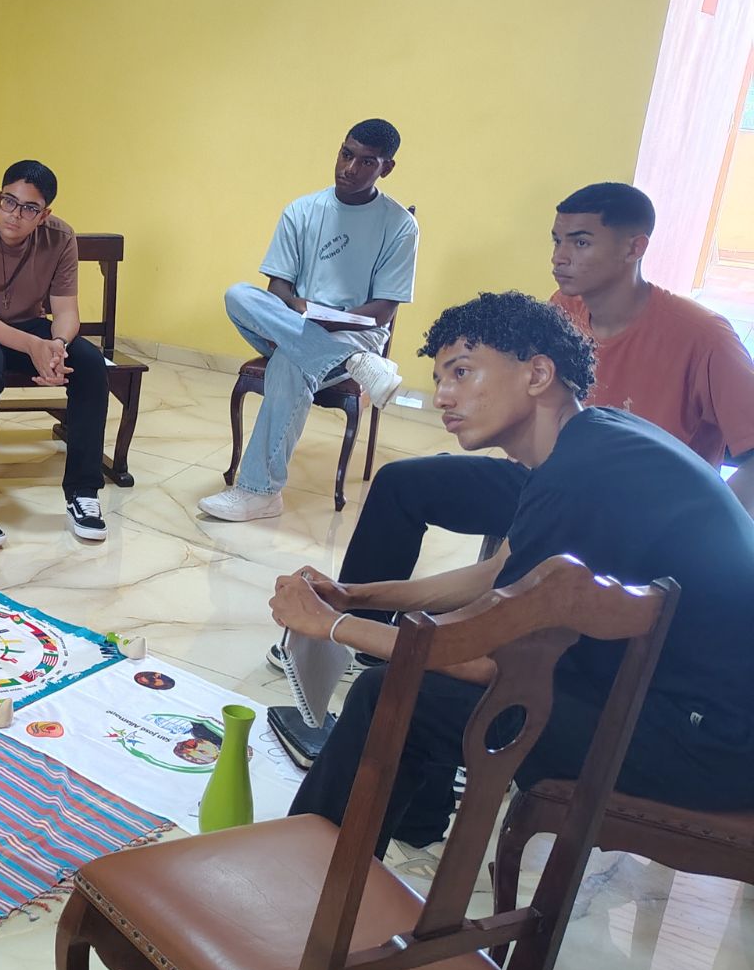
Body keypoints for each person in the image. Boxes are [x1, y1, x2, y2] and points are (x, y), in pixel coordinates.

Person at [273, 290, 754, 854]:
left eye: (462, 372)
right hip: (686, 709)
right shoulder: (592, 441)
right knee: (419, 686)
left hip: (705, 744)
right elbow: (500, 574)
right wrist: (354, 596)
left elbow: (489, 660)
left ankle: (307, 877)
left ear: (538, 374)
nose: (442, 395)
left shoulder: (579, 480)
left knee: (393, 694)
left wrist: (331, 626)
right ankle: (394, 832)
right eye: (440, 378)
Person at [199, 119, 419, 522]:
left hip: (357, 336)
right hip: (296, 325)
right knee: (238, 295)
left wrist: (335, 320)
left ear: (386, 168)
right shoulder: (302, 210)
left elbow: (383, 311)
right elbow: (277, 289)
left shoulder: (400, 225)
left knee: (289, 361)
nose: (349, 168)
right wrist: (301, 308)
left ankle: (259, 493)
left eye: (366, 162)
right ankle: (352, 364)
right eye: (346, 154)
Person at [0, 160, 109, 547]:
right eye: (9, 201)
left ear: (44, 214)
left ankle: (83, 492)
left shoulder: (61, 237)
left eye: (29, 208)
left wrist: (57, 347)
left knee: (90, 364)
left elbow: (66, 312)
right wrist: (33, 346)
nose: (15, 214)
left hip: (29, 325)